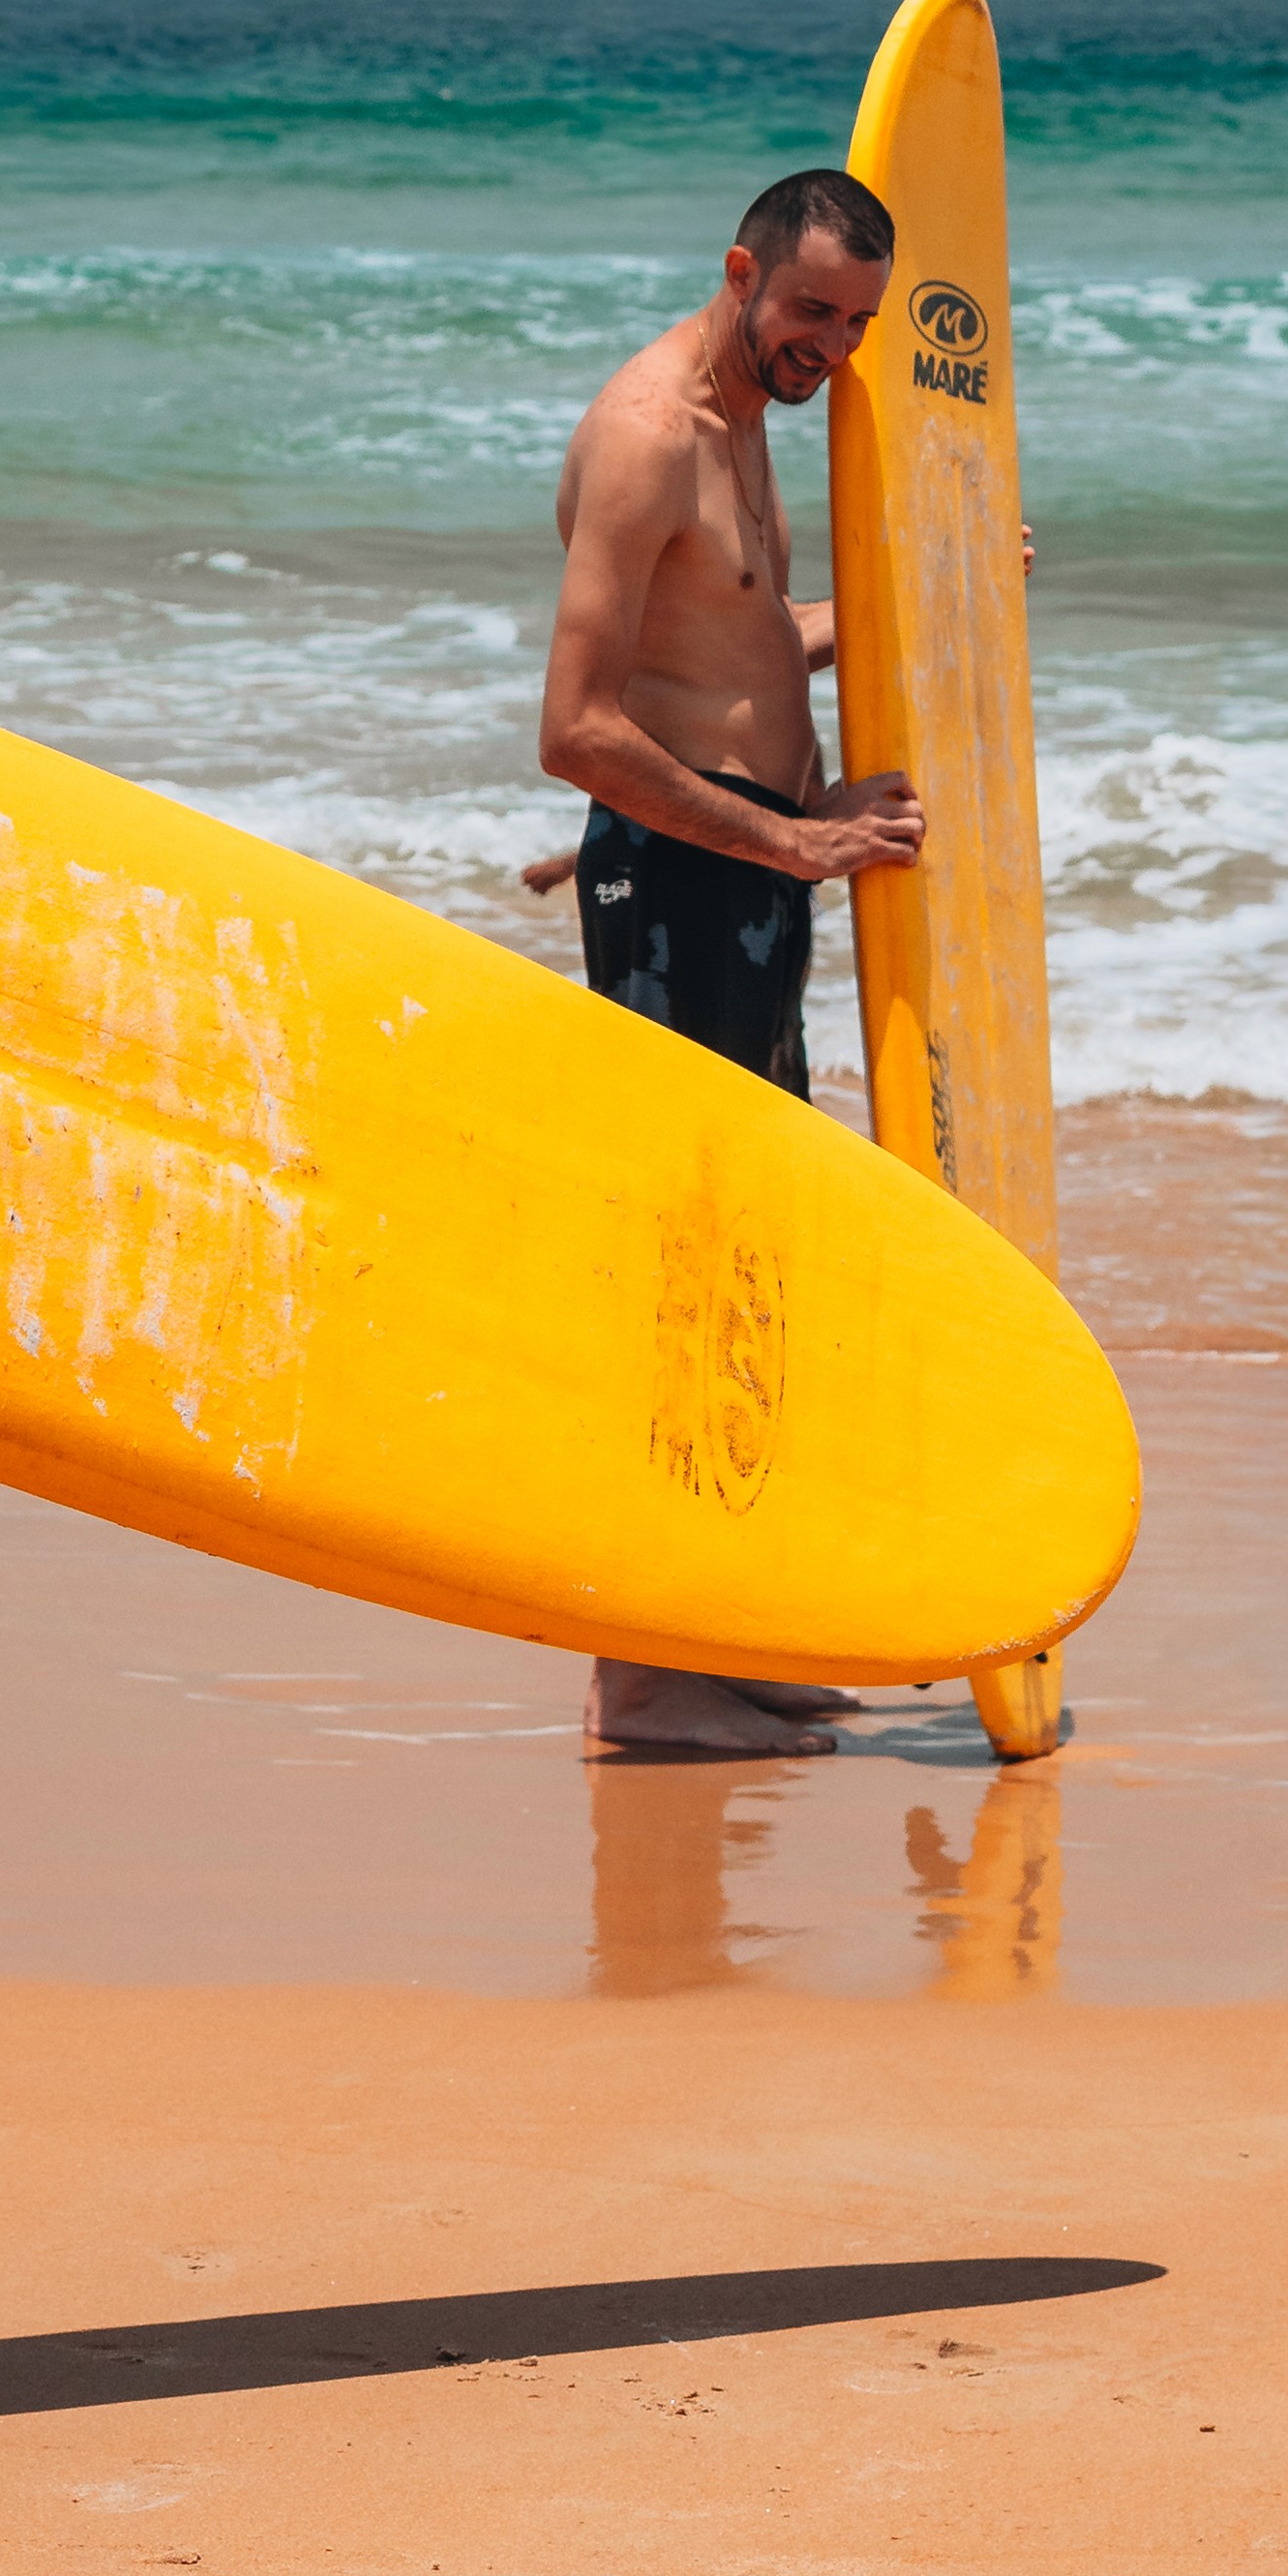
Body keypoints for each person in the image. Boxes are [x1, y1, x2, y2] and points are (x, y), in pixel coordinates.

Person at [529, 163, 921, 1761]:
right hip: (695, 884)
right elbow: (575, 729)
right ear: (742, 270)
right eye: (811, 308)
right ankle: (637, 1680)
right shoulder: (648, 436)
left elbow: (734, 646)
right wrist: (787, 842)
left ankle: (713, 1636)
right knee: (672, 1283)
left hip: (734, 879)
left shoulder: (752, 414)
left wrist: (923, 587)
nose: (830, 345)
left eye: (857, 325)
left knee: (745, 1267)